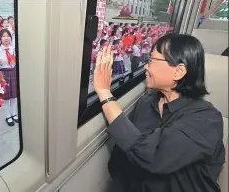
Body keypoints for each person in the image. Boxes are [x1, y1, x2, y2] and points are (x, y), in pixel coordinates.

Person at [93, 34, 225, 192]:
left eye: (151, 61)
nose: (145, 67)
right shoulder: (147, 103)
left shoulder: (206, 119)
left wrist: (104, 93)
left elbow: (154, 156)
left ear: (179, 71)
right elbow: (123, 156)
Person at [0, 29, 18, 126]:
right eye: (3, 36)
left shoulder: (14, 49)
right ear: (0, 38)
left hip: (14, 73)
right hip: (3, 75)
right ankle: (8, 116)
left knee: (14, 97)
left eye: (8, 36)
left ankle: (14, 114)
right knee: (6, 98)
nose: (6, 38)